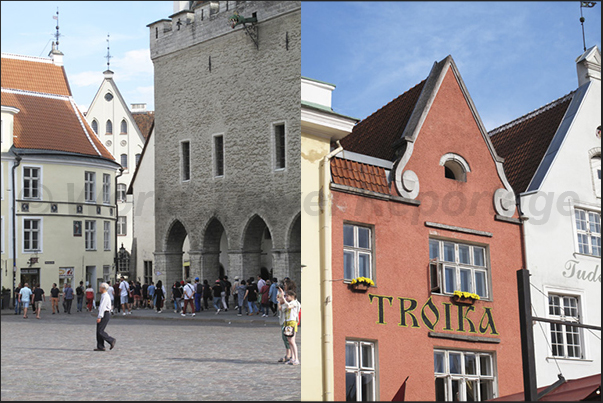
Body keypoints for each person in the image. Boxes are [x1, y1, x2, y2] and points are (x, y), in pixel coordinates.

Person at [279, 288, 301, 365]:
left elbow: (288, 306)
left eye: (287, 296)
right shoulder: (291, 302)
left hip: (292, 323)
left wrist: (283, 300)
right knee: (289, 340)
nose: (286, 297)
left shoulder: (295, 303)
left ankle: (296, 359)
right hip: (288, 322)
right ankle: (293, 358)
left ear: (292, 296)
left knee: (292, 341)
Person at [94, 282, 116, 352]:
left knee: (100, 330)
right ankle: (100, 346)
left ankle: (111, 340)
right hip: (104, 313)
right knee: (98, 331)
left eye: (100, 287)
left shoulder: (105, 296)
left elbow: (102, 307)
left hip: (105, 313)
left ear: (103, 288)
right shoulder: (103, 295)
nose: (99, 288)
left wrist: (99, 316)